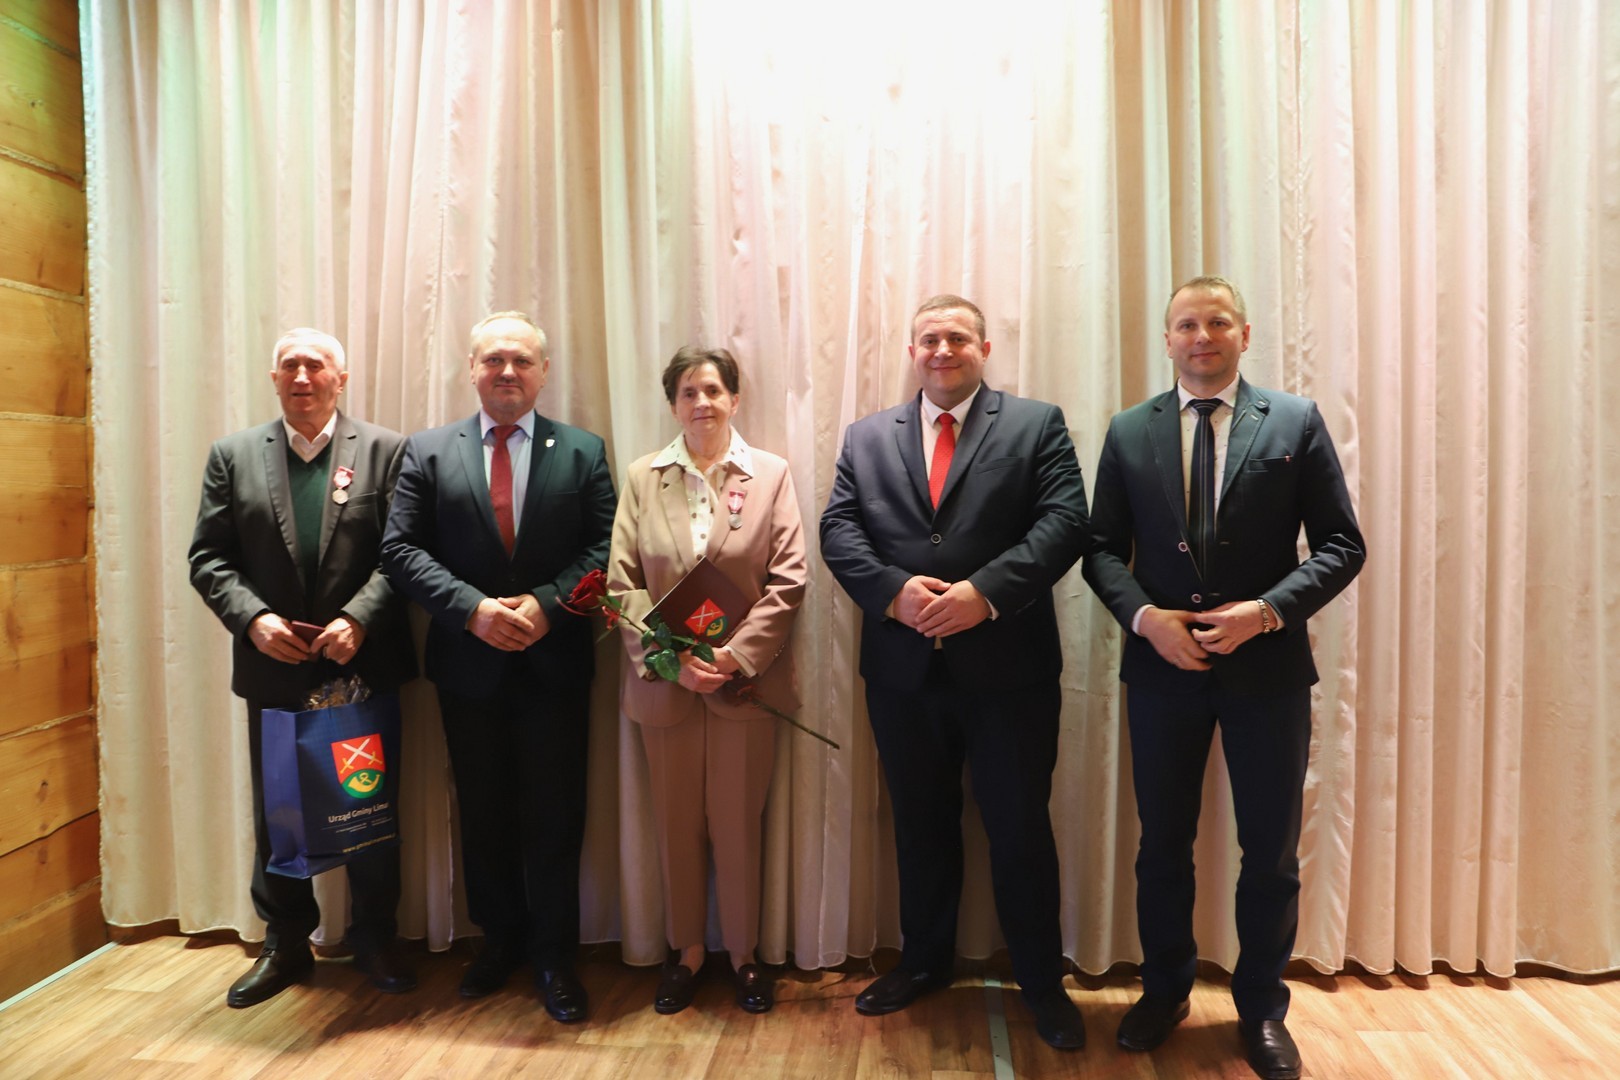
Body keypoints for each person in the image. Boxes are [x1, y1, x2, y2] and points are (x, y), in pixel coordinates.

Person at [1082, 276, 1366, 1080]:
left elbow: (1342, 544)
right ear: (1166, 339)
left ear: (1244, 333)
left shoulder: (1294, 420)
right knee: (1161, 845)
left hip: (1267, 672)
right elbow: (1100, 548)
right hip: (1162, 668)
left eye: (1216, 322)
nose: (1200, 336)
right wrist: (1146, 619)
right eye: (1185, 324)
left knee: (1269, 851)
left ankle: (1262, 1009)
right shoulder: (1128, 429)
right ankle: (1164, 990)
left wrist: (1266, 613)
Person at [819, 294, 1091, 1050]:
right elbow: (838, 528)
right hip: (903, 671)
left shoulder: (1035, 425)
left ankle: (1041, 982)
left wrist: (985, 595)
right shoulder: (866, 436)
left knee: (1019, 828)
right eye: (929, 339)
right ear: (912, 351)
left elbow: (1065, 521)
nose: (942, 350)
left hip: (1009, 671)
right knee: (919, 825)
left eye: (958, 338)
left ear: (985, 348)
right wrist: (893, 593)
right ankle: (924, 962)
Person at [380, 311, 616, 1024]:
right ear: (471, 370)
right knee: (481, 811)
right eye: (492, 360)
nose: (506, 371)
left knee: (555, 814)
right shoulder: (427, 452)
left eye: (520, 360)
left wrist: (548, 606)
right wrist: (473, 610)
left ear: (543, 373)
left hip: (554, 664)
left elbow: (607, 545)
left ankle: (554, 955)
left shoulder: (583, 451)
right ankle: (498, 941)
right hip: (468, 666)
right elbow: (401, 549)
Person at [188, 327, 418, 1008]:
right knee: (279, 811)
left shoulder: (387, 451)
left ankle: (375, 937)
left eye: (316, 365)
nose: (301, 376)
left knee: (367, 804)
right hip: (276, 667)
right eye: (289, 365)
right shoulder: (233, 456)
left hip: (360, 664)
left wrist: (360, 618)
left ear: (340, 379)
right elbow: (209, 558)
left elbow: (404, 553)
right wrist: (254, 619)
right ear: (273, 378)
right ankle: (285, 942)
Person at [605, 346, 807, 1015]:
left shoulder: (770, 474)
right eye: (689, 392)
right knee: (676, 826)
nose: (702, 403)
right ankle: (687, 952)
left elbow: (789, 580)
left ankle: (745, 955)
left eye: (714, 390)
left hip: (742, 688)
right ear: (672, 404)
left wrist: (732, 659)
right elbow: (621, 583)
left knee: (738, 824)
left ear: (735, 399)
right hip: (666, 689)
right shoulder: (643, 477)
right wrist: (671, 660)